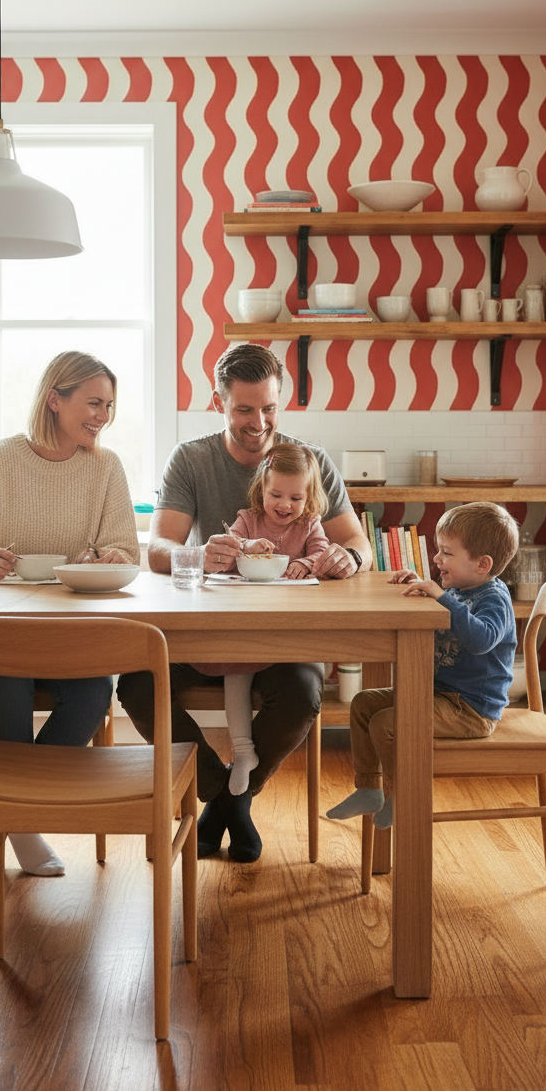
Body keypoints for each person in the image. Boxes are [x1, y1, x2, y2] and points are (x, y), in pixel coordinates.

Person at [117, 342, 372, 863]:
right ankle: (224, 795)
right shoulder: (191, 460)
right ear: (218, 403)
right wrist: (197, 554)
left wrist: (349, 559)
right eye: (245, 410)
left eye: (270, 408)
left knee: (303, 692)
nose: (260, 423)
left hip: (281, 642)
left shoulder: (309, 462)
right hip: (205, 638)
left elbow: (358, 544)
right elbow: (159, 550)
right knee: (138, 686)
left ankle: (226, 807)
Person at [0, 350, 139, 878]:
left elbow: (125, 551)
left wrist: (110, 556)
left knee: (93, 691)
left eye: (109, 405)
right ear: (54, 399)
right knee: (4, 678)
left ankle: (9, 815)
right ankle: (17, 824)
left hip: (66, 638)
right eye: (93, 403)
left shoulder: (106, 467)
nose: (102, 416)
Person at [327, 501, 519, 830]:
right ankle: (369, 788)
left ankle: (401, 795)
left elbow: (481, 639)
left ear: (482, 564)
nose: (436, 559)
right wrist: (421, 584)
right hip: (441, 696)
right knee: (363, 703)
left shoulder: (494, 598)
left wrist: (441, 596)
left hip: (471, 710)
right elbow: (448, 612)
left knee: (387, 723)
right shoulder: (461, 587)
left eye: (446, 553)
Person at [193, 443, 331, 795]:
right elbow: (232, 545)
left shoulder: (310, 524)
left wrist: (307, 563)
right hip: (245, 623)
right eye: (276, 495)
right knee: (234, 673)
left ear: (309, 498)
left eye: (296, 498)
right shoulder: (248, 519)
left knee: (284, 688)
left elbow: (321, 552)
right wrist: (246, 547)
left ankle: (239, 770)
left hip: (286, 630)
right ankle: (243, 752)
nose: (285, 505)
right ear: (262, 490)